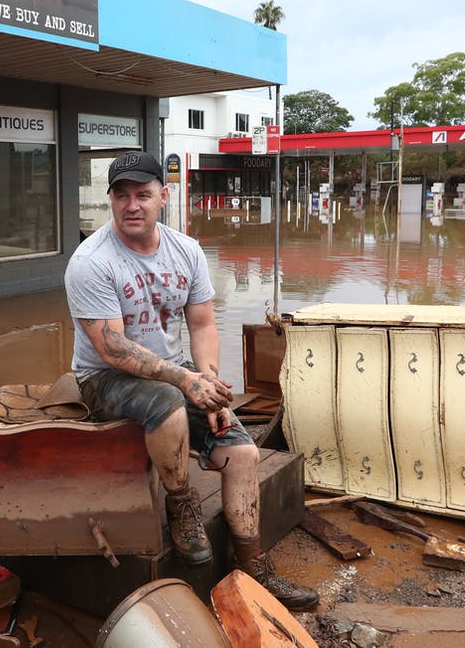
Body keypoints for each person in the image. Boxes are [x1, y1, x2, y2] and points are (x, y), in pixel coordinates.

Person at [64, 151, 318, 609]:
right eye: (121, 196)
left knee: (242, 451)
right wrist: (186, 381)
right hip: (103, 379)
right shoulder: (91, 261)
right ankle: (180, 502)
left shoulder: (187, 250)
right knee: (166, 401)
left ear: (165, 195)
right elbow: (111, 348)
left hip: (172, 371)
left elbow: (202, 325)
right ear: (110, 201)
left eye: (143, 194)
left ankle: (252, 568)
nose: (132, 205)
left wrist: (212, 386)